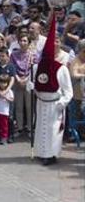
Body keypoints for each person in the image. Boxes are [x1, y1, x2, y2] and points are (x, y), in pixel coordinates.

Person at [31, 16, 73, 165]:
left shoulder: (61, 68)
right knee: (41, 127)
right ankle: (41, 152)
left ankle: (51, 155)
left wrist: (62, 102)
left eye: (56, 41)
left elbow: (69, 91)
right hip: (41, 102)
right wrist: (33, 87)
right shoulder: (37, 67)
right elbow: (36, 82)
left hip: (55, 104)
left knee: (53, 130)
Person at [0, 75, 14, 144]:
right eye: (1, 83)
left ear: (7, 83)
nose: (2, 84)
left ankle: (4, 138)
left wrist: (6, 97)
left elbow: (11, 100)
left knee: (4, 126)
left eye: (4, 83)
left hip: (4, 112)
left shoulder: (9, 91)